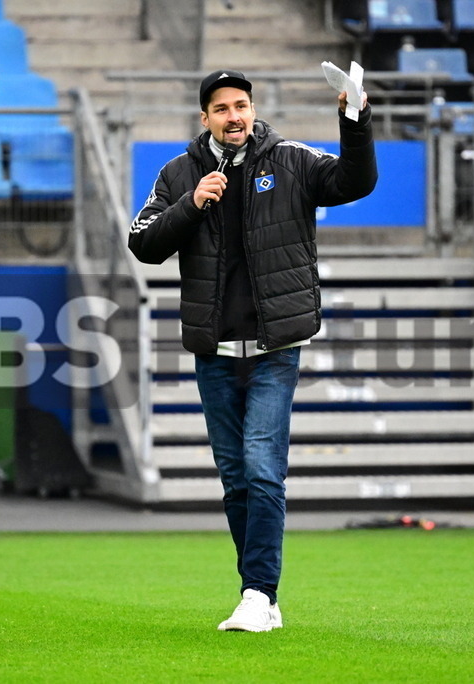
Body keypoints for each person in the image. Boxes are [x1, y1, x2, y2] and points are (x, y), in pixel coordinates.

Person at [128, 69, 378, 632]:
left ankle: (256, 593)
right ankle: (261, 596)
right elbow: (142, 242)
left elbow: (354, 183)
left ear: (253, 108)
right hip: (213, 350)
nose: (234, 115)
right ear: (205, 118)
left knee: (264, 470)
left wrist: (355, 121)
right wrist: (190, 205)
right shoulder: (178, 173)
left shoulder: (291, 160)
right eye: (221, 108)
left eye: (241, 105)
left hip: (275, 346)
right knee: (236, 478)